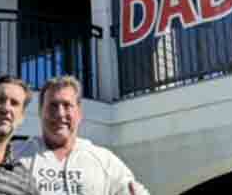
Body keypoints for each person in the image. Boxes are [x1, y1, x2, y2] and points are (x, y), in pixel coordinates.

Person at [15, 76, 150, 195]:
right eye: (53, 106)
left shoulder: (105, 161)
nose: (60, 114)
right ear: (40, 112)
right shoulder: (15, 155)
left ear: (79, 113)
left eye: (67, 105)